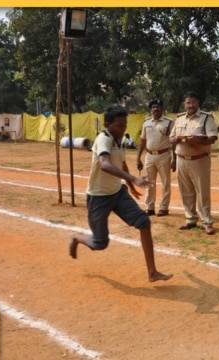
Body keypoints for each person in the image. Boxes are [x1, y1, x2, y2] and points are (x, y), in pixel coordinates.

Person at [69, 104, 173, 283]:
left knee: (144, 222)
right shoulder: (103, 138)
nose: (123, 128)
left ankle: (152, 272)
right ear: (108, 124)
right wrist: (133, 178)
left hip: (117, 193)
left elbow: (122, 163)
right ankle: (77, 238)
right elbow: (105, 164)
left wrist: (130, 186)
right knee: (100, 243)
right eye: (119, 125)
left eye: (125, 125)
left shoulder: (119, 140)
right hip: (98, 196)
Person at [169, 91, 218, 235]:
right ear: (184, 104)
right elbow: (171, 137)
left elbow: (212, 138)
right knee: (186, 191)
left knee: (202, 192)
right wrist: (174, 140)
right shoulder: (179, 119)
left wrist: (198, 140)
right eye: (188, 103)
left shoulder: (206, 118)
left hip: (199, 159)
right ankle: (190, 219)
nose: (190, 105)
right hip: (182, 158)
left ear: (198, 103)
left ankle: (207, 222)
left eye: (193, 102)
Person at [136, 98, 176, 216]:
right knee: (149, 182)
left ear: (162, 108)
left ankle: (164, 207)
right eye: (153, 107)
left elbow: (173, 142)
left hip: (164, 155)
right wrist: (138, 158)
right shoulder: (146, 123)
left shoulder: (169, 122)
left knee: (165, 183)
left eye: (158, 107)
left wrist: (175, 159)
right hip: (149, 155)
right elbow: (142, 141)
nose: (156, 109)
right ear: (151, 109)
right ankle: (150, 207)